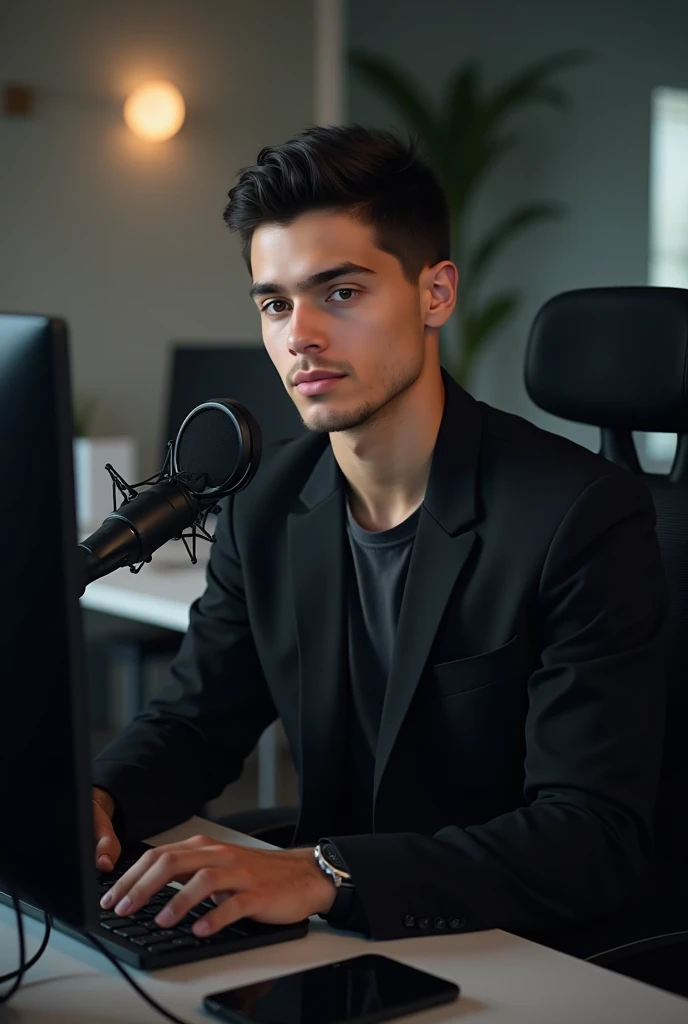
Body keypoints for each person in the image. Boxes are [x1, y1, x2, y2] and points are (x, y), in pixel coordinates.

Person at [92, 124, 669, 946]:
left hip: (517, 949)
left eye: (343, 292)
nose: (300, 336)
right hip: (342, 938)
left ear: (435, 294)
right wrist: (99, 797)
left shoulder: (579, 516)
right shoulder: (265, 502)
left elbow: (589, 837)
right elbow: (195, 723)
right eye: (275, 303)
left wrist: (322, 872)